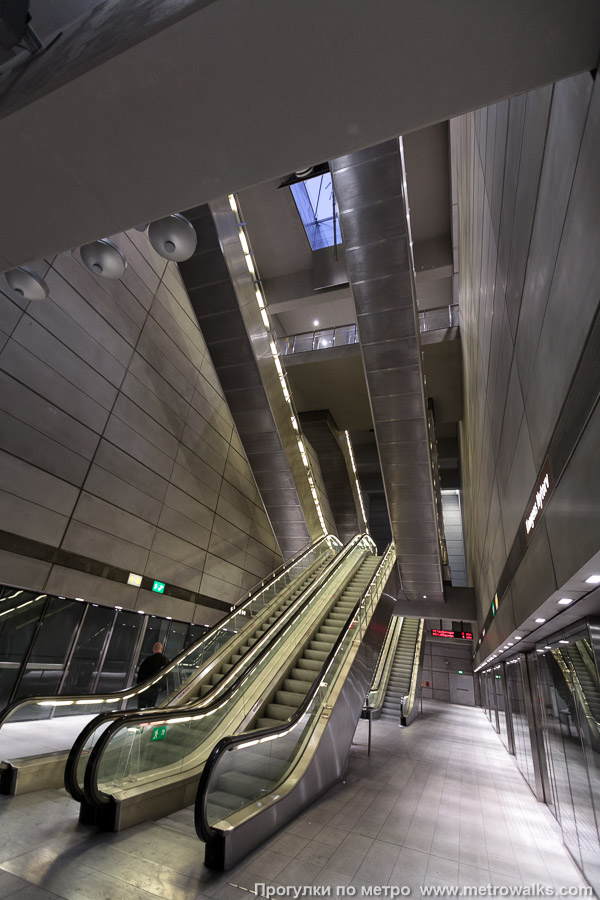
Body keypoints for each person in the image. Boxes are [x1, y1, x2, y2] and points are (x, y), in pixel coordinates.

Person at [136, 642, 169, 708]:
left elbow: (141, 672)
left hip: (144, 686)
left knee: (141, 706)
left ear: (153, 649)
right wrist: (163, 687)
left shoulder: (148, 659)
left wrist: (138, 684)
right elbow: (167, 675)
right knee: (151, 706)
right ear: (161, 649)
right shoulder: (165, 660)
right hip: (155, 688)